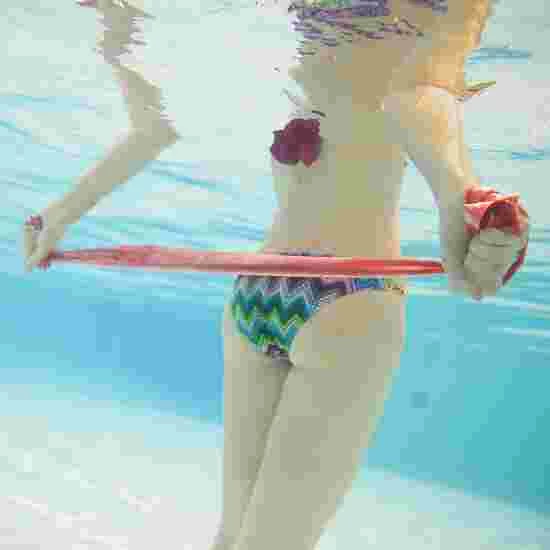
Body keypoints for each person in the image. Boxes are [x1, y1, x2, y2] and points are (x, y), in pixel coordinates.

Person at [23, 2, 528, 550]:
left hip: (258, 290)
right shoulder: (421, 24)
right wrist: (461, 198)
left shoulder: (300, 35)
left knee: (233, 540)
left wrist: (60, 216)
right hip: (349, 304)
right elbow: (416, 98)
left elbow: (153, 128)